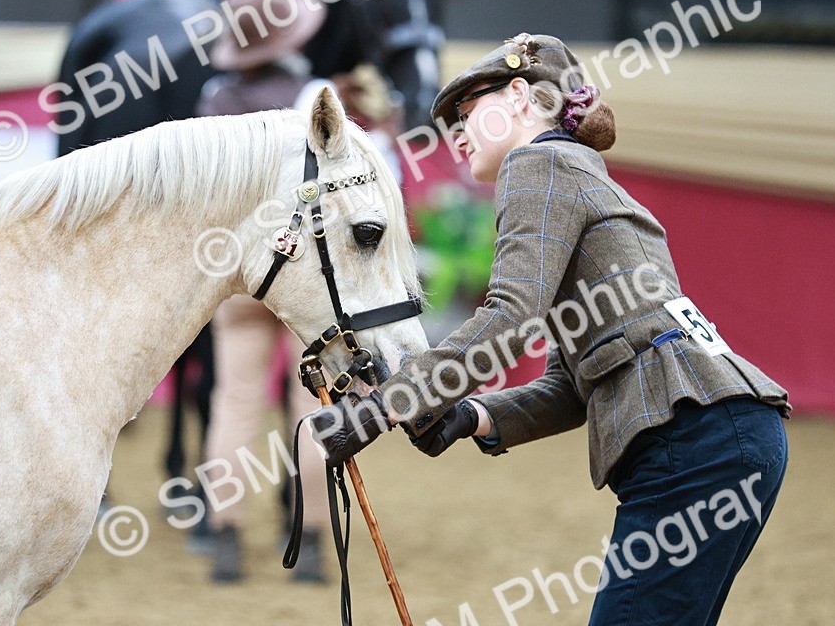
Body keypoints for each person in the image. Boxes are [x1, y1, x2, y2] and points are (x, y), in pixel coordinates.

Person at [312, 34, 791, 625]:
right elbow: (571, 387)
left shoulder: (537, 162)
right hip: (733, 434)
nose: (456, 131)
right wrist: (472, 417)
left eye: (468, 110)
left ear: (519, 95)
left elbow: (512, 315)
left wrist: (387, 404)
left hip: (691, 439)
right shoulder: (580, 175)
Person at [196, 0, 332, 584]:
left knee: (233, 400)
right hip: (307, 274)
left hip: (240, 273)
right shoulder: (316, 96)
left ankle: (225, 538)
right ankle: (310, 544)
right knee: (315, 406)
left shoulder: (214, 100)